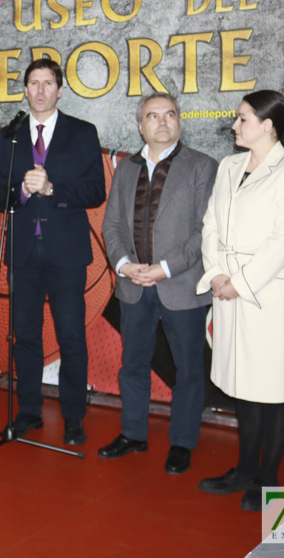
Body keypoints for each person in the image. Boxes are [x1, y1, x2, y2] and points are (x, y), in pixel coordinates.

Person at [195, 89, 284, 512]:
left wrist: (240, 282)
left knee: (275, 388)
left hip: (268, 294)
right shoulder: (229, 166)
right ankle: (244, 470)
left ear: (268, 125)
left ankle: (267, 478)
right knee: (244, 383)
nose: (234, 125)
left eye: (243, 119)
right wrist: (218, 273)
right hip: (228, 289)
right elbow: (210, 225)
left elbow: (283, 241)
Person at [97, 93, 217, 474]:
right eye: (153, 116)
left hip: (180, 285)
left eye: (170, 115)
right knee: (132, 364)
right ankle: (133, 433)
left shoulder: (201, 166)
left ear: (179, 121)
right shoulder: (126, 169)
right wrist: (123, 264)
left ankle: (182, 443)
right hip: (133, 285)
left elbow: (205, 231)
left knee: (188, 370)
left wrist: (164, 268)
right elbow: (111, 225)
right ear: (140, 125)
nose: (162, 122)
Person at [0, 58, 105, 446]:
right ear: (25, 90)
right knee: (25, 337)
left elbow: (95, 192)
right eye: (33, 84)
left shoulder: (82, 133)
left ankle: (73, 415)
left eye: (48, 83)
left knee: (71, 335)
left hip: (66, 253)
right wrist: (21, 192)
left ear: (60, 89)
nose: (40, 91)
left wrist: (53, 189)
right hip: (23, 254)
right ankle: (29, 411)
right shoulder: (11, 136)